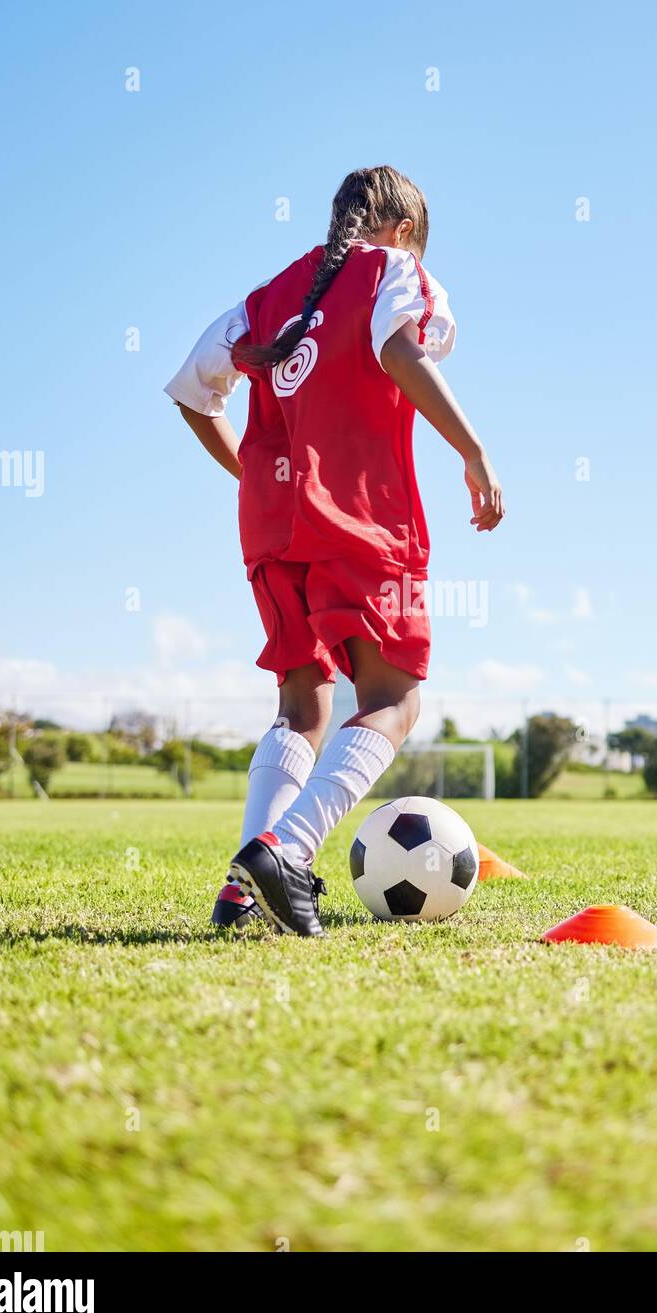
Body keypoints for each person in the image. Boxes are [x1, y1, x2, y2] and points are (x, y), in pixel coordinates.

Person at [164, 166, 504, 936]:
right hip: (361, 514)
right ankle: (288, 849)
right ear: (407, 230)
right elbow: (397, 351)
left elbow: (191, 389)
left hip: (272, 521)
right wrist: (473, 449)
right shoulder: (394, 268)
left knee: (302, 704)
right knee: (393, 699)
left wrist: (254, 471)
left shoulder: (266, 300)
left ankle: (240, 886)